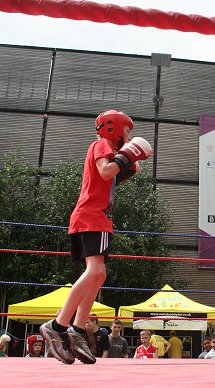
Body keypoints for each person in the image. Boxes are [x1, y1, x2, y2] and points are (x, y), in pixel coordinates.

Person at [39, 110, 152, 365]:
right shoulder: (101, 144)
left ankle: (77, 330)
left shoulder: (108, 151)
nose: (129, 136)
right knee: (95, 271)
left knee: (99, 274)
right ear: (115, 128)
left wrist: (129, 163)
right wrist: (126, 156)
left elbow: (110, 179)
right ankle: (57, 326)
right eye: (127, 131)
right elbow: (105, 171)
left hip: (95, 218)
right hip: (92, 217)